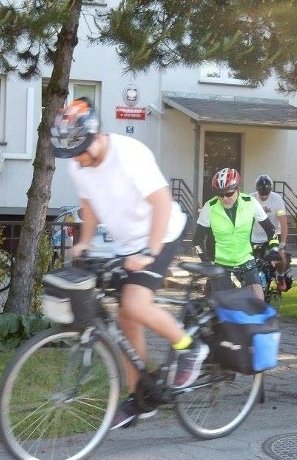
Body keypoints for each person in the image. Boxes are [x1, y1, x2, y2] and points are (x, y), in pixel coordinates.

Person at [51, 96, 206, 430]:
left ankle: (190, 348)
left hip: (160, 234)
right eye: (69, 153)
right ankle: (142, 397)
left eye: (78, 150)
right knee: (125, 320)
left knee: (135, 304)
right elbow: (88, 206)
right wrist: (84, 242)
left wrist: (149, 252)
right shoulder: (78, 164)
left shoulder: (129, 154)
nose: (75, 159)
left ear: (93, 137)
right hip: (126, 242)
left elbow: (163, 203)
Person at [192, 168, 280, 301]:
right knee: (226, 306)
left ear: (237, 189)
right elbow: (197, 241)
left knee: (258, 301)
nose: (225, 198)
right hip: (220, 262)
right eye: (220, 195)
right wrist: (207, 262)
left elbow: (271, 230)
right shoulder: (209, 207)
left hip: (245, 259)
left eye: (229, 193)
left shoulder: (250, 203)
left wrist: (274, 250)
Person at [251, 174, 290, 290]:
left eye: (266, 194)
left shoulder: (277, 199)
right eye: (261, 194)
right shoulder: (251, 199)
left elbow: (283, 223)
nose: (263, 197)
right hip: (254, 236)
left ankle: (281, 276)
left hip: (272, 235)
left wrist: (282, 243)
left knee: (281, 255)